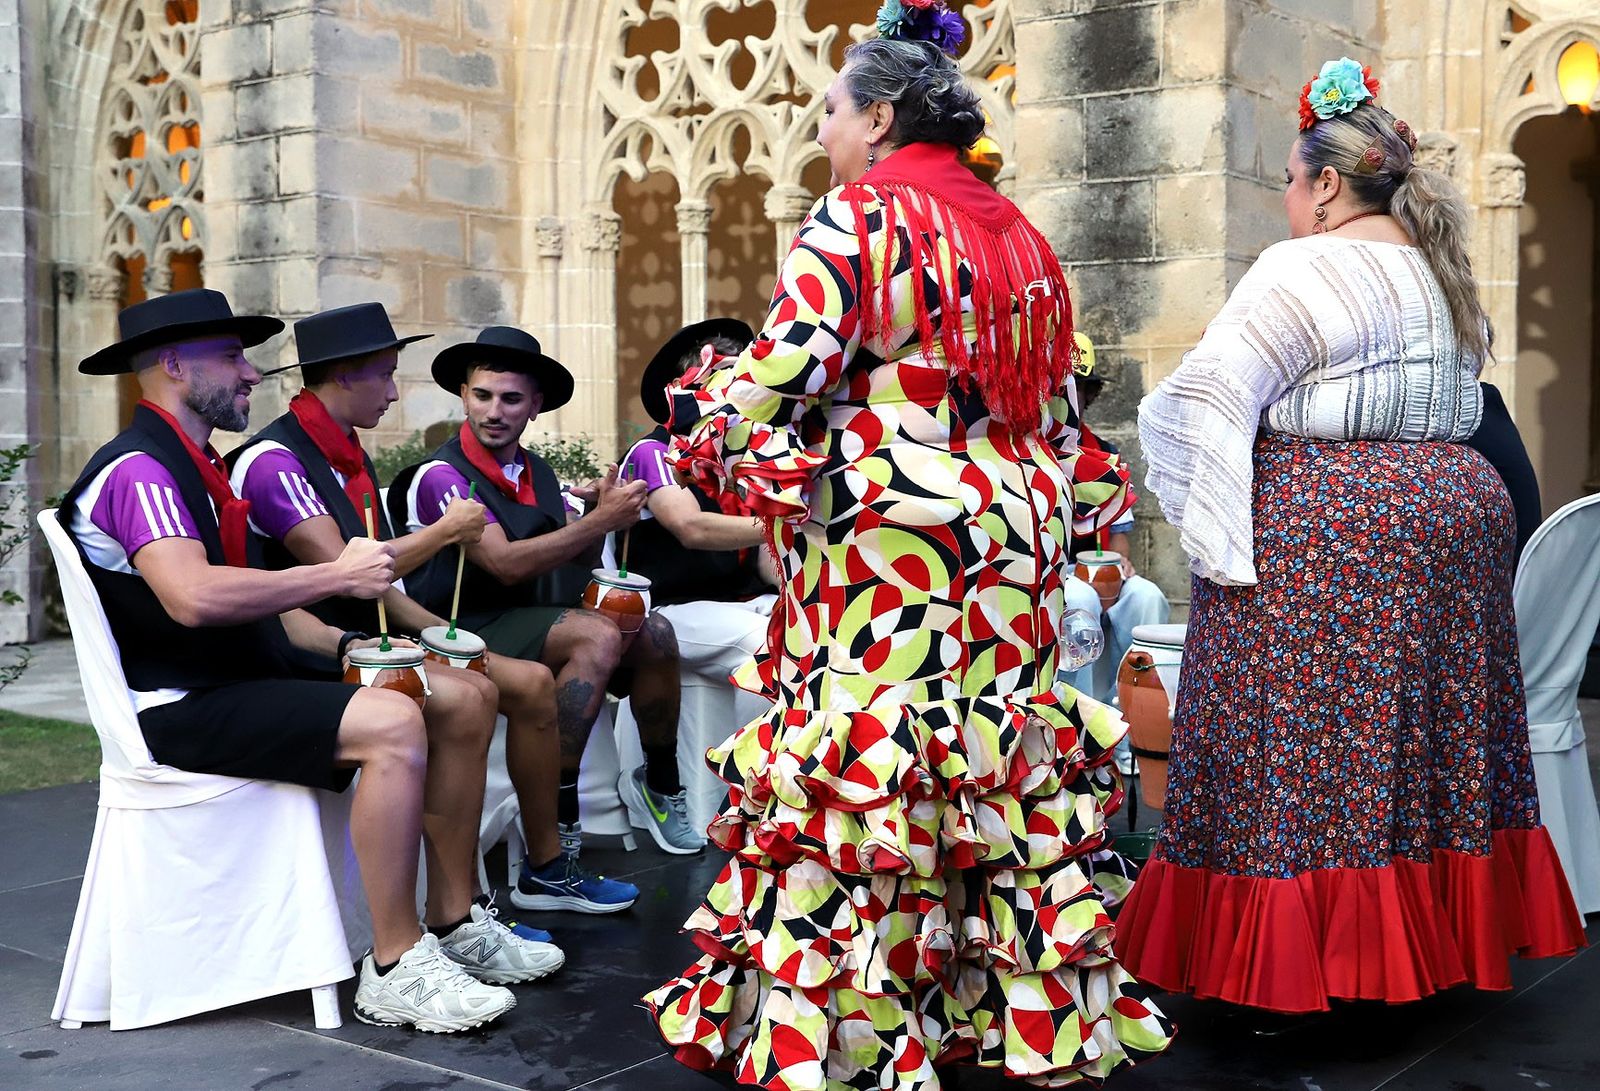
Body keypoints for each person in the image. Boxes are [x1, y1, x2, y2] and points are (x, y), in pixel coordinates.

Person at [641, 10, 1175, 1088]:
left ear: (879, 117)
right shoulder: (1018, 236)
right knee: (990, 766)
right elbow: (1062, 406)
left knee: (872, 771)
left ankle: (857, 1039)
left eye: (832, 112)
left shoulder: (858, 217)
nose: (822, 132)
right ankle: (1014, 1016)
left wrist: (706, 429)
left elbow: (783, 371)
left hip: (892, 536)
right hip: (1008, 537)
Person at [1119, 58, 1586, 1015]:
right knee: (1421, 742)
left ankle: (1310, 961)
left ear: (1327, 183)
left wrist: (1215, 525)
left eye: (1290, 182)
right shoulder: (1440, 272)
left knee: (1299, 745)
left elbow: (1201, 399)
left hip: (1335, 530)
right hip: (1455, 520)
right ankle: (1423, 953)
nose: (1288, 202)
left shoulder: (1305, 264)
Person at [61, 288, 519, 1033]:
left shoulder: (194, 464)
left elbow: (266, 606)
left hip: (241, 679)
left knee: (461, 696)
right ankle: (395, 963)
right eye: (232, 356)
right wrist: (339, 575)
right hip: (180, 704)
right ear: (174, 364)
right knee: (394, 720)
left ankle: (453, 916)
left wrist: (345, 642)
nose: (251, 374)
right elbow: (194, 598)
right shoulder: (139, 471)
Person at [230, 305, 608, 935]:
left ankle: (534, 872)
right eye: (384, 375)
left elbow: (381, 590)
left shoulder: (344, 451)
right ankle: (454, 915)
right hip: (316, 650)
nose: (392, 391)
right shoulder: (275, 461)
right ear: (345, 376)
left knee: (529, 682)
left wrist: (445, 633)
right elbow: (345, 571)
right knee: (471, 694)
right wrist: (443, 533)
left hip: (374, 636)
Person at [395, 325, 707, 877]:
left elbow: (566, 552)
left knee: (654, 631)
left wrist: (594, 514)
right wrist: (602, 520)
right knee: (596, 634)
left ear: (535, 406)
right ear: (463, 396)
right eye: (482, 395)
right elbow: (504, 562)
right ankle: (559, 807)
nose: (494, 411)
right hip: (457, 628)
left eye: (511, 399)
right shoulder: (440, 475)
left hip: (528, 618)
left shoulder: (536, 470)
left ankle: (661, 784)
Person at [1060, 332, 1170, 718]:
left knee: (1146, 596)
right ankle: (1082, 729)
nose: (1069, 399)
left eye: (1077, 389)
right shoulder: (1025, 448)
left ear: (1089, 395)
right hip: (1051, 578)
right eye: (1061, 389)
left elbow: (1119, 545)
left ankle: (1138, 727)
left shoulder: (1105, 455)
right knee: (1080, 600)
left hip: (1095, 570)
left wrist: (1122, 567)